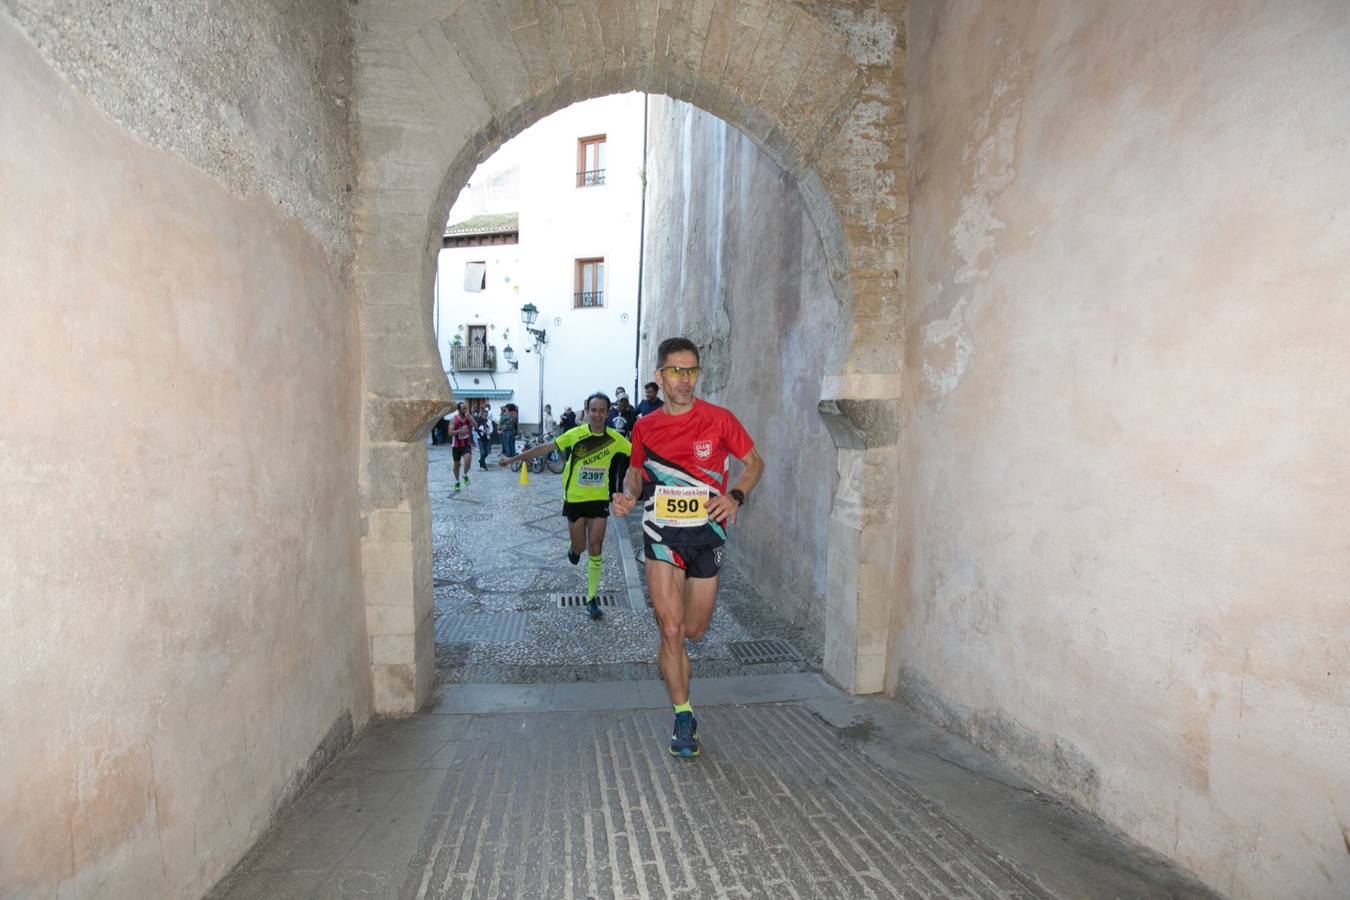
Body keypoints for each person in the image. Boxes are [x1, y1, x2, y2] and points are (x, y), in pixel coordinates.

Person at [612, 338, 763, 758]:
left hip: (707, 536)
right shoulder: (644, 427)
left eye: (692, 371)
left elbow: (755, 464)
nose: (685, 380)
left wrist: (735, 496)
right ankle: (682, 714)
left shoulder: (719, 420)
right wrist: (627, 494)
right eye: (676, 371)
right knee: (672, 628)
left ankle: (675, 667)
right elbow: (637, 475)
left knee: (694, 630)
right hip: (662, 533)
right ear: (659, 377)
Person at [502, 393, 630, 620]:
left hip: (599, 500)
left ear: (607, 412)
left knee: (596, 546)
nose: (598, 414)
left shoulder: (615, 439)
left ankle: (591, 599)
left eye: (602, 410)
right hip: (575, 499)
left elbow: (638, 453)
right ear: (587, 411)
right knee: (580, 547)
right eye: (593, 410)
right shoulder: (576, 434)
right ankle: (573, 549)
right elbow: (545, 447)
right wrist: (514, 459)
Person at [448, 401, 475, 492]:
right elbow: (450, 433)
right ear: (458, 409)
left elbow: (476, 425)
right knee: (457, 465)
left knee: (468, 461)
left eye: (466, 408)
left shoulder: (468, 417)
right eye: (463, 409)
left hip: (466, 444)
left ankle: (465, 475)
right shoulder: (454, 419)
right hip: (456, 446)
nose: (465, 410)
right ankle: (457, 481)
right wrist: (460, 431)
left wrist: (470, 418)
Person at [474, 404, 492, 469]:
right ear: (482, 414)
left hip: (487, 438)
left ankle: (481, 460)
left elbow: (491, 429)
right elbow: (475, 429)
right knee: (482, 452)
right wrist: (481, 430)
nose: (485, 416)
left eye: (486, 415)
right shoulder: (478, 420)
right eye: (484, 415)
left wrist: (488, 432)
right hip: (480, 438)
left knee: (487, 452)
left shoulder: (489, 421)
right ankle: (484, 465)